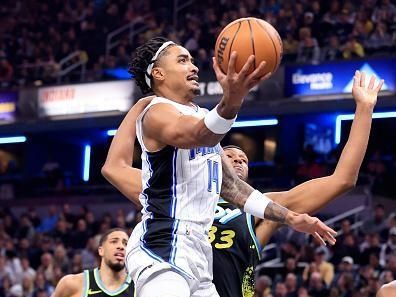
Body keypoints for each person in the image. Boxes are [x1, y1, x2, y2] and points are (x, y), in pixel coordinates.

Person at [102, 37, 337, 297]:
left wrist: (291, 218)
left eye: (192, 60)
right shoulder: (155, 111)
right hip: (164, 245)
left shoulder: (201, 115)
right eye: (182, 60)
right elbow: (194, 135)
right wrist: (231, 102)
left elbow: (233, 188)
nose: (193, 67)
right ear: (158, 73)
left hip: (199, 251)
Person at [52, 228, 133, 297]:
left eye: (125, 244)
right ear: (101, 251)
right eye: (114, 241)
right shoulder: (71, 284)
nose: (121, 246)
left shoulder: (139, 288)